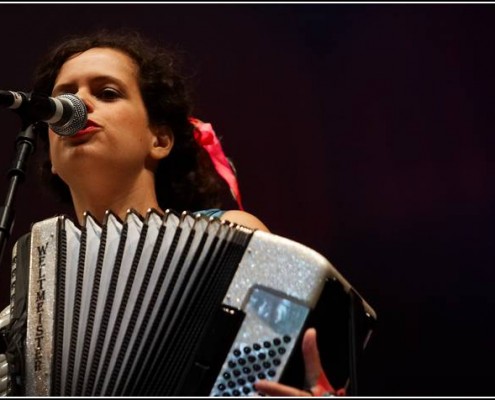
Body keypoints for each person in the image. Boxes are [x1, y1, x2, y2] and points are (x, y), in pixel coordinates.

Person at [1, 29, 345, 397]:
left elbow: (275, 378)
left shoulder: (234, 240)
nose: (79, 104)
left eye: (107, 93)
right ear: (52, 157)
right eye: (64, 97)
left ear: (160, 140)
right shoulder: (27, 303)